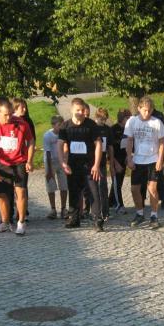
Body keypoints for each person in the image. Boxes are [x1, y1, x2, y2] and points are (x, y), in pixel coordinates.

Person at [0, 97, 34, 235]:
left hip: (19, 161)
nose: (9, 117)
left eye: (11, 114)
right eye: (6, 115)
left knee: (20, 192)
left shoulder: (21, 123)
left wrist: (29, 160)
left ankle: (21, 222)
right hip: (2, 162)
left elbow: (31, 141)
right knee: (1, 194)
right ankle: (5, 222)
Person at [59, 98, 103, 230]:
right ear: (72, 110)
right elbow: (59, 145)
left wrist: (96, 165)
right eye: (78, 110)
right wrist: (63, 163)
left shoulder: (91, 125)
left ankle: (97, 220)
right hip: (73, 165)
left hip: (89, 166)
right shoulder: (65, 126)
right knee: (73, 192)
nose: (81, 112)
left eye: (83, 110)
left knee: (93, 192)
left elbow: (98, 144)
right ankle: (74, 218)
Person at [125, 96, 164, 229]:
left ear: (152, 110)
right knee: (134, 189)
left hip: (152, 160)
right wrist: (129, 158)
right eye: (144, 110)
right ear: (139, 108)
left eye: (149, 110)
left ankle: (154, 215)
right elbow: (129, 140)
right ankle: (139, 213)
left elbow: (162, 142)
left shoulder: (157, 122)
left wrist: (160, 160)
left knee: (152, 189)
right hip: (138, 160)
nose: (147, 113)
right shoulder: (132, 121)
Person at [43, 115, 68, 220]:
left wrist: (65, 161)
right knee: (51, 185)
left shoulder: (64, 133)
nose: (61, 127)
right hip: (51, 161)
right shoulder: (47, 136)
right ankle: (53, 209)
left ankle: (63, 208)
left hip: (61, 160)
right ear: (53, 125)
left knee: (64, 185)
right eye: (59, 125)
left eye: (62, 124)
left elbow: (66, 147)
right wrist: (49, 171)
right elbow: (47, 152)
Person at [109, 109, 131, 214]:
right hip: (115, 160)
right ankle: (119, 205)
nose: (129, 120)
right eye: (128, 118)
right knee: (116, 183)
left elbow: (129, 144)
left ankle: (110, 201)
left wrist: (128, 156)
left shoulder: (128, 129)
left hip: (124, 159)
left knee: (119, 182)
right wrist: (114, 163)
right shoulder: (113, 130)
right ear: (122, 118)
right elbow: (110, 149)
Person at [94, 107, 114, 222]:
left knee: (103, 186)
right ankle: (93, 211)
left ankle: (105, 211)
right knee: (92, 187)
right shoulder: (92, 128)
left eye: (105, 119)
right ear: (96, 117)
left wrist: (111, 162)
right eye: (101, 119)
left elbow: (110, 146)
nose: (103, 121)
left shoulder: (107, 129)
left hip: (102, 162)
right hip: (92, 162)